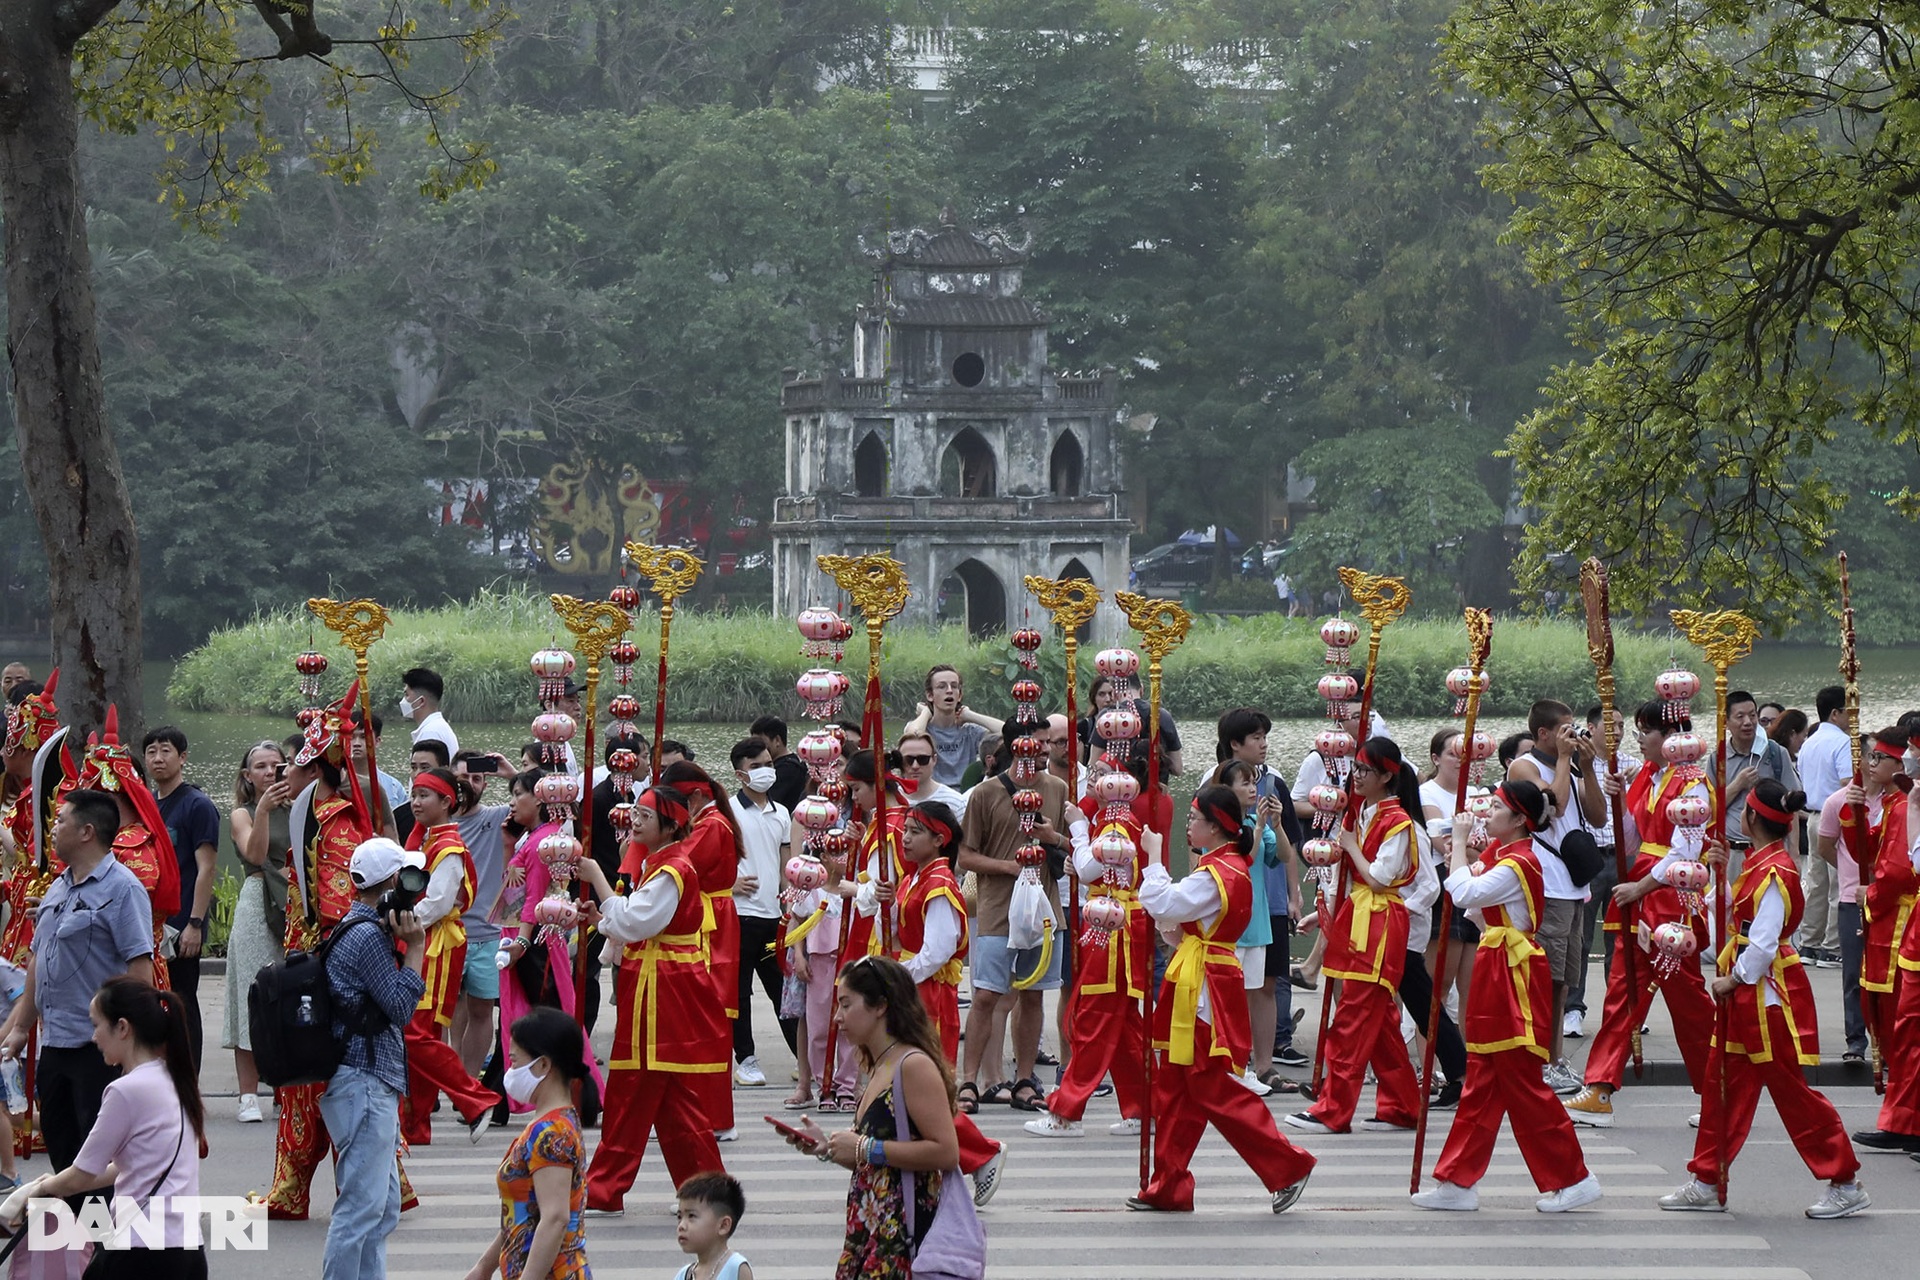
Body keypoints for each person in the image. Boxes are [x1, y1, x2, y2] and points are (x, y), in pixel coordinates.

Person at [1658, 780, 1867, 1218]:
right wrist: (1716, 876)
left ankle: (1844, 1179)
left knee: (1793, 1093)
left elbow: (1763, 942)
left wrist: (1732, 980)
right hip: (1748, 994)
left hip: (1766, 996)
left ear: (1750, 817)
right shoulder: (1760, 862)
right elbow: (1735, 923)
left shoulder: (1775, 870)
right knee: (1722, 1087)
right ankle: (1706, 1177)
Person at [1413, 779, 1601, 1214]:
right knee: (1480, 1082)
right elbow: (1477, 911)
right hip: (1497, 965)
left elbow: (1463, 894)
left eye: (1498, 807)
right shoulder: (1507, 858)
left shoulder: (1522, 862)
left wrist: (1458, 845)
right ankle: (1458, 1181)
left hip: (1513, 973)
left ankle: (1574, 1176)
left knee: (1521, 1082)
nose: (1488, 812)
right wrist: (1461, 857)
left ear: (1519, 819)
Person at [1129, 786, 1316, 1213]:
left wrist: (1154, 858)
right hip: (1197, 977)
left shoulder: (1218, 872)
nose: (1188, 826)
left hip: (1205, 986)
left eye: (1194, 820)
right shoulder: (1223, 866)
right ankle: (1169, 1185)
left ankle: (1287, 1163)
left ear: (1214, 827)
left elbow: (1162, 901)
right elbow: (1175, 919)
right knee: (1176, 1089)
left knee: (1211, 1086)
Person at [1564, 701, 1716, 1128]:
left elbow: (1685, 852)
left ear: (1670, 737)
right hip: (1640, 895)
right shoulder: (1648, 776)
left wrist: (1643, 886)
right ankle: (1599, 1087)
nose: (1638, 741)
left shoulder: (1693, 785)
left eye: (1644, 732)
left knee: (1689, 1003)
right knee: (1621, 992)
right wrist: (1615, 797)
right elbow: (1631, 835)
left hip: (1671, 900)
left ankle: (1717, 1088)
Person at [576, 787, 726, 1216]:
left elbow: (635, 920)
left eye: (645, 816)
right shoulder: (658, 864)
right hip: (654, 985)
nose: (635, 822)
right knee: (673, 1101)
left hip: (663, 992)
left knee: (632, 1091)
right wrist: (605, 917)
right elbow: (630, 921)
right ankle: (707, 1190)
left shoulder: (672, 869)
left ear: (671, 824)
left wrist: (599, 881)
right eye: (636, 813)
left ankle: (604, 1188)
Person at [0, 789, 156, 1176]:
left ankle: (107, 1236)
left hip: (98, 1049)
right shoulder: (59, 886)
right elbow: (38, 960)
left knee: (99, 1161)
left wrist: (132, 1044)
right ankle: (80, 1233)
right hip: (55, 1044)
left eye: (62, 821)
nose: (53, 828)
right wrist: (20, 1027)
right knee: (63, 1148)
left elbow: (140, 971)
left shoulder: (123, 889)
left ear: (87, 831)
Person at [5, 977, 206, 1277]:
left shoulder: (125, 1091)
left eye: (97, 1025)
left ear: (122, 1028)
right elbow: (130, 1166)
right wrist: (56, 1184)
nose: (94, 1037)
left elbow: (81, 1173)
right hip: (188, 1251)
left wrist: (42, 1188)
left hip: (140, 1253)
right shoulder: (174, 1080)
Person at [777, 956, 961, 1278]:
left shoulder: (912, 1065)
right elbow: (880, 1156)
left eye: (847, 1005)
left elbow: (946, 1152)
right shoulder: (878, 1064)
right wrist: (830, 1148)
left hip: (902, 1237)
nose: (837, 1017)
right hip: (871, 1228)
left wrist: (863, 1148)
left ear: (880, 1006)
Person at [1287, 737, 1424, 1136]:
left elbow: (1380, 878)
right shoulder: (1361, 812)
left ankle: (1333, 1108)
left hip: (1380, 923)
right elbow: (1348, 880)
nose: (1356, 776)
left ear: (1386, 775)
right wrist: (1321, 913)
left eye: (1365, 770)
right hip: (1359, 915)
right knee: (1378, 1022)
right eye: (1356, 769)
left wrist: (1349, 846)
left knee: (1351, 1018)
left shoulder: (1397, 821)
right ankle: (1402, 1104)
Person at [321, 837, 430, 1280]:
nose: (413, 891)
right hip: (363, 1082)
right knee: (360, 1210)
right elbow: (402, 1007)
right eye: (406, 880)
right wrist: (417, 949)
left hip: (364, 1082)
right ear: (390, 884)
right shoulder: (366, 936)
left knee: (382, 1209)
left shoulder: (359, 927)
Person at [1028, 754, 1151, 1138]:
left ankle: (1067, 1111)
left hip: (1112, 930)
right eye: (1093, 774)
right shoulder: (1113, 819)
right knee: (1125, 1026)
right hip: (1111, 920)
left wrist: (1078, 833)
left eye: (1100, 775)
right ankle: (1145, 1108)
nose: (1093, 780)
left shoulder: (1115, 822)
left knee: (1093, 1020)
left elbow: (1089, 869)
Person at [957, 725, 1072, 1116]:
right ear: (1013, 746)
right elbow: (966, 857)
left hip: (1043, 911)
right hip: (997, 910)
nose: (1039, 750)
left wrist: (1053, 837)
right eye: (1032, 742)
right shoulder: (986, 793)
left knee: (1034, 994)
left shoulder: (1057, 789)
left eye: (1044, 742)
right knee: (987, 995)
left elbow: (1074, 847)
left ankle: (1024, 1078)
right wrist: (1008, 866)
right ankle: (969, 1080)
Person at [1502, 700, 1606, 1096]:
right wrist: (1564, 760)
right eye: (1565, 729)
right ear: (1543, 733)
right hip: (1546, 886)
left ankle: (1554, 1059)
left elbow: (1597, 818)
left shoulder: (1573, 766)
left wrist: (1590, 767)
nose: (1573, 735)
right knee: (1545, 979)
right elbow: (1553, 807)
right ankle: (1539, 1060)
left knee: (1564, 981)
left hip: (1575, 887)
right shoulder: (1525, 767)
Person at [401, 767, 502, 1145]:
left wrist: (396, 923)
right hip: (419, 941)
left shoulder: (449, 848)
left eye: (425, 795)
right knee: (416, 1035)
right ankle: (415, 1126)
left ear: (447, 802)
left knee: (415, 1032)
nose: (415, 802)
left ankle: (474, 1098)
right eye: (413, 794)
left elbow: (438, 904)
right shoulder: (425, 841)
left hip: (433, 947)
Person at [464, 1006, 592, 1280]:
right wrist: (485, 1267)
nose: (510, 1072)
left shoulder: (552, 1133)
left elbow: (555, 1219)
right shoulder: (551, 1123)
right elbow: (524, 1213)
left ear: (543, 1065)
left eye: (514, 1062)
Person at [659, 759, 745, 1138]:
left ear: (695, 796)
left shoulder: (711, 826)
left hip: (710, 926)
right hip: (708, 918)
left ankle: (713, 1116)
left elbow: (677, 866)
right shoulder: (709, 822)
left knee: (708, 1019)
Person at [1817, 728, 1902, 1069]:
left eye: (1879, 757)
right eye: (1870, 757)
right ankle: (1858, 1039)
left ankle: (1891, 1039)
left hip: (1892, 900)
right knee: (1855, 973)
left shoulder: (1900, 801)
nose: (1872, 763)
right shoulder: (1841, 800)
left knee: (1890, 975)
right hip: (1856, 899)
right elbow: (1827, 848)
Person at [142, 727, 220, 1071]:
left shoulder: (197, 805)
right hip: (150, 925)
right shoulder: (147, 803)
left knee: (183, 1002)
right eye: (152, 752)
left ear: (183, 757)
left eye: (166, 751)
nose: (158, 759)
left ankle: (188, 1080)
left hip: (181, 925)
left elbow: (206, 868)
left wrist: (195, 923)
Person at [226, 740, 291, 1123]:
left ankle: (288, 1086)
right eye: (261, 767)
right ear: (248, 776)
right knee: (251, 992)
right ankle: (248, 1094)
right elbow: (254, 854)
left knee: (292, 993)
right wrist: (265, 809)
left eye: (276, 766)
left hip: (296, 900)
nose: (269, 773)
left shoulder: (302, 806)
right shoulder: (243, 813)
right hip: (258, 897)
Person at [727, 737, 796, 1087]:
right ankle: (746, 1058)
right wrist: (730, 885)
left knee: (783, 989)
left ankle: (805, 1057)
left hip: (773, 917)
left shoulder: (782, 812)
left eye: (769, 763)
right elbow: (707, 861)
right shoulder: (726, 811)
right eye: (756, 766)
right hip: (739, 916)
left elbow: (785, 860)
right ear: (740, 774)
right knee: (738, 992)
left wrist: (789, 897)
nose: (766, 771)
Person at [451, 749, 513, 1077]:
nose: (470, 785)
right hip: (447, 932)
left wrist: (508, 772)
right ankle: (444, 1079)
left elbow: (544, 803)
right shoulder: (435, 821)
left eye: (477, 778)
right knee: (440, 1012)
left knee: (481, 1010)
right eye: (463, 778)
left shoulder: (497, 818)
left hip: (488, 935)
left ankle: (467, 1082)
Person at [1795, 686, 1852, 967]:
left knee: (1817, 883)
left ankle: (1809, 943)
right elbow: (1847, 784)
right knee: (1839, 882)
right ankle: (1832, 946)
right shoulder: (1842, 743)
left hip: (1813, 817)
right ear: (1835, 713)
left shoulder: (1810, 743)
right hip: (1837, 817)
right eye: (1849, 710)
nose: (1853, 716)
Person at [1721, 691, 1800, 875]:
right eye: (1740, 717)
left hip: (1770, 851)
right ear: (1725, 722)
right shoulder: (1718, 759)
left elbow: (1791, 806)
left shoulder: (1775, 753)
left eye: (1752, 715)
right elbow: (1710, 809)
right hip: (1731, 852)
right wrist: (1738, 784)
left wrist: (1794, 853)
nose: (1748, 722)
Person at [900, 665, 1000, 788]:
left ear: (959, 695)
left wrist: (970, 715)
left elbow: (1008, 733)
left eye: (954, 686)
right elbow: (913, 736)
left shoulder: (970, 731)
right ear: (930, 695)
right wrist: (926, 712)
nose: (949, 690)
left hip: (965, 797)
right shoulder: (923, 728)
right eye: (942, 686)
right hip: (932, 796)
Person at [672, 1171, 752, 1280]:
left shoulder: (736, 1268)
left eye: (691, 1216)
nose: (681, 1226)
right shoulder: (684, 1275)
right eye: (679, 1217)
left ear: (723, 1226)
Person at [896, 730, 968, 819]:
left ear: (934, 760)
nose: (915, 766)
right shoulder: (886, 801)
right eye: (908, 760)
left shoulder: (955, 802)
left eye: (923, 759)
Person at [751, 715, 809, 813]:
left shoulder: (787, 770)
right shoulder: (790, 763)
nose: (756, 748)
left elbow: (765, 804)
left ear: (777, 740)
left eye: (761, 743)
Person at [402, 666, 459, 756]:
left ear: (421, 701)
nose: (404, 700)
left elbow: (429, 770)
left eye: (407, 694)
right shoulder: (438, 727)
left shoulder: (430, 733)